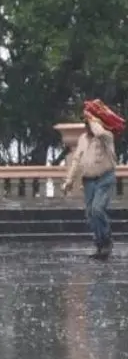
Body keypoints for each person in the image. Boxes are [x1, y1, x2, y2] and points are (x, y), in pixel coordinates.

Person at [63, 111, 117, 260]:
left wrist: (94, 120)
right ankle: (100, 245)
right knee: (90, 214)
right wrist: (69, 180)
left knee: (97, 209)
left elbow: (99, 132)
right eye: (86, 123)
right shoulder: (82, 139)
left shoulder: (106, 137)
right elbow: (76, 160)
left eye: (89, 123)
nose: (87, 126)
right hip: (88, 181)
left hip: (105, 178)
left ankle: (107, 239)